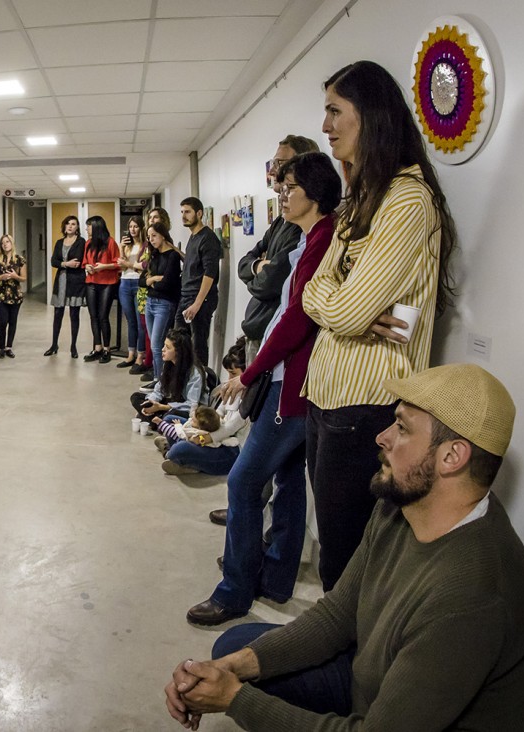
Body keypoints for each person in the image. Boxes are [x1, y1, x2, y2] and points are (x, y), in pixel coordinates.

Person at [165, 364, 524, 732]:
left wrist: (234, 699)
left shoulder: (472, 597)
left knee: (245, 684)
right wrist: (234, 670)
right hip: (371, 680)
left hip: (389, 716)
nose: (382, 437)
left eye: (401, 427)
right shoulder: (401, 503)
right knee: (236, 648)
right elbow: (337, 615)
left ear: (452, 457)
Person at [301, 60, 458, 591]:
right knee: (334, 552)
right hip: (324, 397)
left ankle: (347, 671)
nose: (325, 126)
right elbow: (311, 295)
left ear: (370, 116)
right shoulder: (359, 202)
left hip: (363, 406)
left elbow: (340, 310)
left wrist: (347, 312)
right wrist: (352, 312)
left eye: (334, 111)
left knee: (346, 567)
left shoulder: (408, 200)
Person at [187, 152, 342, 626]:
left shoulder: (322, 239)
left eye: (288, 187)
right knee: (291, 478)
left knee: (244, 479)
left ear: (313, 193)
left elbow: (296, 319)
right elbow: (260, 273)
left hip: (291, 382)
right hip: (288, 376)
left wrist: (250, 373)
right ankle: (273, 578)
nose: (281, 195)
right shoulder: (309, 236)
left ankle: (235, 589)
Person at [237, 135, 319, 364]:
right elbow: (244, 263)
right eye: (274, 164)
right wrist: (258, 265)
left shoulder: (304, 227)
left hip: (278, 337)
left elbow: (269, 283)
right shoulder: (281, 222)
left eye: (281, 164)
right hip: (259, 328)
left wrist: (263, 271)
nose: (273, 171)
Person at [160, 343, 248, 478]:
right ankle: (182, 451)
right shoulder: (231, 389)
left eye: (233, 374)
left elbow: (229, 429)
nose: (229, 379)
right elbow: (218, 413)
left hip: (230, 449)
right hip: (215, 431)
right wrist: (202, 424)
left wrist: (204, 438)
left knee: (178, 450)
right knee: (169, 419)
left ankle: (177, 451)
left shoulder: (250, 397)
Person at [178, 197, 223, 367]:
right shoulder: (193, 237)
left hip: (200, 299)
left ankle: (200, 387)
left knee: (198, 347)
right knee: (178, 342)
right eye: (182, 212)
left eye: (187, 212)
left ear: (199, 213)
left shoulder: (208, 238)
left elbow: (209, 273)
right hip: (186, 296)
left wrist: (197, 303)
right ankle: (181, 383)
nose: (183, 216)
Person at [131, 329, 204, 426]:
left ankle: (155, 420)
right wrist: (151, 403)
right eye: (164, 345)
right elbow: (159, 389)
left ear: (178, 352)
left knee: (171, 416)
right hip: (168, 402)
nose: (163, 349)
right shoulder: (168, 364)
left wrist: (162, 407)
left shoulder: (194, 373)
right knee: (136, 397)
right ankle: (156, 420)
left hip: (182, 408)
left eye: (168, 347)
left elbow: (191, 405)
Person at [143, 222, 183, 385]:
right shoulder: (153, 255)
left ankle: (161, 380)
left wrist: (151, 282)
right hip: (150, 302)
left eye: (154, 236)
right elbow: (142, 280)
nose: (151, 240)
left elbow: (168, 284)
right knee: (155, 346)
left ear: (163, 235)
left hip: (164, 304)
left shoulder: (172, 256)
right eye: (149, 237)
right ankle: (158, 378)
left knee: (157, 344)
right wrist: (153, 279)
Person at [81, 215, 121, 363]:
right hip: (91, 281)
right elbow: (85, 262)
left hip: (108, 283)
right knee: (93, 316)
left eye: (88, 226)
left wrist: (104, 266)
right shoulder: (88, 243)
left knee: (103, 316)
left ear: (96, 226)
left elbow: (118, 264)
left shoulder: (110, 242)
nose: (86, 229)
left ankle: (106, 349)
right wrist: (88, 267)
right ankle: (97, 348)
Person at [47, 215, 87, 358]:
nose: (70, 226)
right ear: (64, 226)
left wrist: (64, 263)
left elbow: (77, 261)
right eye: (68, 224)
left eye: (73, 224)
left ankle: (73, 346)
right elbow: (53, 261)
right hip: (61, 281)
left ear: (77, 228)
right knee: (57, 314)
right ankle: (54, 344)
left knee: (74, 314)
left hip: (75, 282)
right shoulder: (59, 242)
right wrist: (66, 264)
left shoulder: (81, 242)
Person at [116, 215, 146, 368]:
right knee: (130, 321)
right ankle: (130, 354)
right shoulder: (127, 246)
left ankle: (141, 355)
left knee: (141, 322)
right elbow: (122, 267)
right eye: (130, 227)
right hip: (125, 282)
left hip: (139, 283)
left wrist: (130, 264)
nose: (132, 230)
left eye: (135, 226)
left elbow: (142, 266)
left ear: (141, 228)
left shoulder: (145, 245)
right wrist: (121, 248)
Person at [0, 233, 26, 359]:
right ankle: (1, 347)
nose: (5, 244)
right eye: (2, 243)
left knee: (12, 321)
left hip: (15, 295)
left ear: (12, 243)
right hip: (1, 294)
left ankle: (8, 347)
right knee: (3, 321)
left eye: (7, 242)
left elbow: (23, 278)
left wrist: (15, 276)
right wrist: (2, 277)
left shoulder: (19, 259)